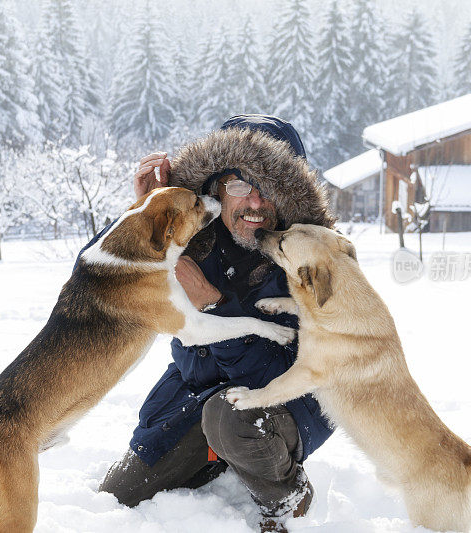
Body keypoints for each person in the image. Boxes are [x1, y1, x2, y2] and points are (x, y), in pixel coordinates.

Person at [93, 115, 336, 532]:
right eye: (240, 186)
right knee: (119, 495)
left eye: (269, 190)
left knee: (233, 417)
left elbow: (285, 375)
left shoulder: (317, 264)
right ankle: (215, 460)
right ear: (217, 190)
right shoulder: (192, 234)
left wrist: (212, 303)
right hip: (195, 395)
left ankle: (287, 496)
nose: (255, 203)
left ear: (290, 197)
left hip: (283, 405)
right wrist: (143, 214)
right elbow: (99, 284)